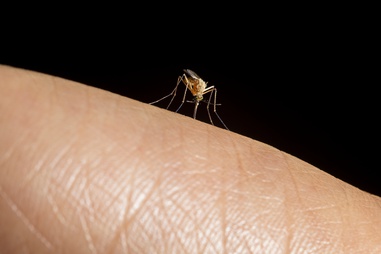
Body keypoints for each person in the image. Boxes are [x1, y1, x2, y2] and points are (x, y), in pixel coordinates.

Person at [0, 65, 380, 253]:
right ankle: (174, 104)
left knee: (209, 99)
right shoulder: (190, 83)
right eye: (198, 93)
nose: (199, 92)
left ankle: (197, 111)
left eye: (198, 93)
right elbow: (188, 75)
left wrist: (207, 101)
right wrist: (183, 95)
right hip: (184, 89)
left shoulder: (207, 89)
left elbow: (205, 85)